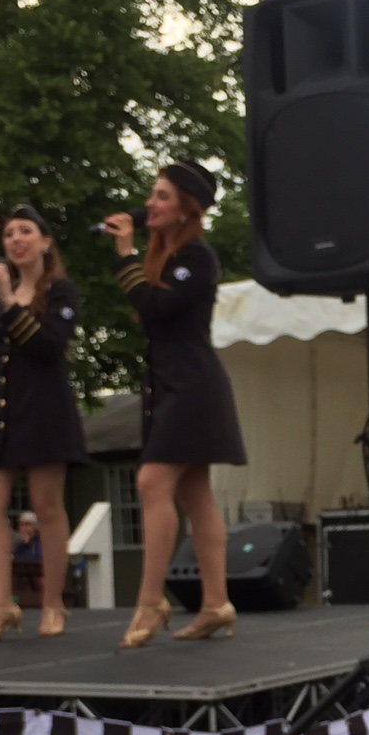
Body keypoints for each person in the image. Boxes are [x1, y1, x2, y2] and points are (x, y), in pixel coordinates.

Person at [104, 160, 247, 649]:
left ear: (187, 209)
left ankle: (149, 600)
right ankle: (215, 602)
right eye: (153, 194)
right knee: (194, 494)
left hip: (193, 386)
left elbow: (156, 308)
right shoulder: (166, 258)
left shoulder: (198, 258)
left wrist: (123, 257)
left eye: (162, 196)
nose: (150, 203)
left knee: (150, 481)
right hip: (171, 385)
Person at [0, 203, 86, 642]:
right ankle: (2, 605)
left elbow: (47, 346)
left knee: (47, 505)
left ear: (45, 241)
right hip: (0, 410)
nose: (15, 240)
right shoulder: (3, 294)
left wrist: (6, 301)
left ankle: (54, 603)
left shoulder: (61, 291)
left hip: (43, 409)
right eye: (8, 234)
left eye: (25, 231)